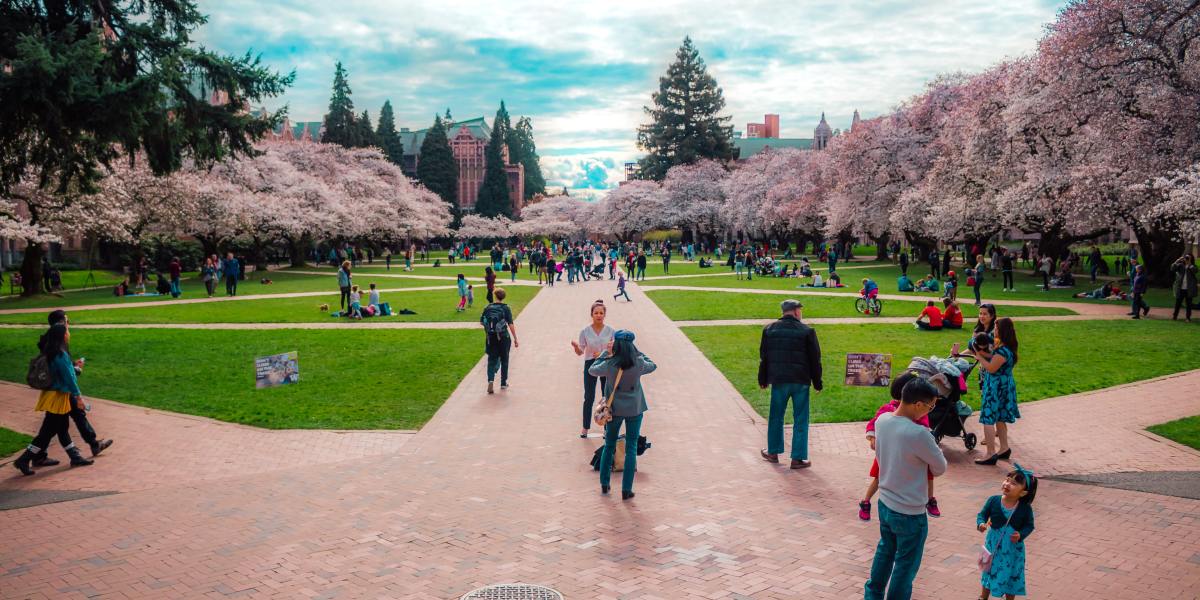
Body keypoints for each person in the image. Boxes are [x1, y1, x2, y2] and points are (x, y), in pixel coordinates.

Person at [864, 377, 947, 600]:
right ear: (918, 404)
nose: (929, 411)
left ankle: (872, 595)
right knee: (904, 566)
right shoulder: (919, 434)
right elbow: (940, 468)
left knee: (885, 552)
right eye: (930, 406)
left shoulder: (882, 420)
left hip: (886, 502)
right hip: (910, 511)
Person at [28, 311, 113, 467]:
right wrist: (76, 372)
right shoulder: (58, 339)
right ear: (60, 322)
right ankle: (30, 458)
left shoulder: (52, 337)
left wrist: (73, 365)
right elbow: (63, 369)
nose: (69, 324)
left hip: (59, 389)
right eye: (67, 320)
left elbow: (62, 365)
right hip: (59, 391)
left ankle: (83, 449)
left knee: (60, 425)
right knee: (54, 427)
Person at [13, 324, 96, 475]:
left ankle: (75, 456)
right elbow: (69, 378)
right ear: (63, 336)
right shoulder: (61, 354)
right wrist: (78, 397)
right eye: (67, 331)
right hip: (58, 397)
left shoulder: (51, 352)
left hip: (52, 395)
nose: (69, 333)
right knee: (47, 433)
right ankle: (23, 460)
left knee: (61, 428)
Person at [859, 372, 939, 522]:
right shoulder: (889, 410)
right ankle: (865, 501)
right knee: (879, 478)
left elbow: (925, 431)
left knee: (928, 474)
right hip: (890, 454)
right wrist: (872, 437)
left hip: (913, 456)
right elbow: (873, 424)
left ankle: (930, 499)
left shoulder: (921, 412)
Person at [588, 329, 656, 500]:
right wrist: (638, 351)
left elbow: (592, 370)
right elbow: (652, 364)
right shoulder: (638, 362)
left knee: (609, 445)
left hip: (614, 410)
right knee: (631, 448)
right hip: (634, 408)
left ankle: (605, 484)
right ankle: (627, 489)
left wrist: (605, 352)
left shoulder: (610, 363)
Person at [758, 299, 823, 469]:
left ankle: (773, 452)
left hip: (779, 380)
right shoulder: (807, 331)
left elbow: (764, 357)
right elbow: (815, 359)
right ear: (795, 311)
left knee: (776, 416)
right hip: (800, 380)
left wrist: (762, 379)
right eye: (800, 310)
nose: (801, 313)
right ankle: (798, 457)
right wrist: (817, 382)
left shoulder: (769, 329)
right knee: (801, 418)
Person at [977, 466, 1037, 600]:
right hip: (992, 545)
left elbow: (1029, 525)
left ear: (1022, 493)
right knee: (988, 570)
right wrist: (981, 524)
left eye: (1014, 483)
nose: (1007, 484)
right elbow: (982, 515)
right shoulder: (993, 500)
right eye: (1007, 480)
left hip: (1012, 550)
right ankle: (983, 596)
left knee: (1012, 574)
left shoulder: (1025, 508)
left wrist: (1021, 534)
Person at [975, 318, 1020, 465]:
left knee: (988, 418)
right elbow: (994, 359)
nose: (994, 329)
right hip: (1005, 385)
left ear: (1002, 330)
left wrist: (979, 358)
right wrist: (982, 353)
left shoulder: (1002, 350)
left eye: (996, 327)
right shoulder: (1007, 348)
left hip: (996, 387)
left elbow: (991, 367)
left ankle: (990, 453)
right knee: (1000, 417)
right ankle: (1004, 448)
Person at [572, 300, 615, 438]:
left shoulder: (611, 331)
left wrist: (604, 354)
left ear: (605, 315)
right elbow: (580, 351)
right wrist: (576, 348)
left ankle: (606, 427)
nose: (598, 315)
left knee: (606, 396)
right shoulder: (585, 331)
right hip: (590, 364)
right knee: (588, 397)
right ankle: (585, 428)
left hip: (606, 364)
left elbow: (614, 351)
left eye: (601, 313)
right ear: (591, 314)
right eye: (596, 313)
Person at [481, 287, 519, 394]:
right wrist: (515, 338)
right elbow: (510, 323)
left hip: (491, 337)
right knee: (504, 359)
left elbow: (482, 322)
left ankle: (490, 380)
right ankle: (503, 383)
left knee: (491, 359)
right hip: (503, 337)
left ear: (495, 295)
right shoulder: (506, 308)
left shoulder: (488, 307)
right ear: (503, 297)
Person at [1171, 254, 1197, 322]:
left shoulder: (1193, 266)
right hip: (1180, 289)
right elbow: (1172, 268)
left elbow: (1195, 271)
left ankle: (1188, 318)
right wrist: (1177, 260)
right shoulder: (1180, 265)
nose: (1187, 259)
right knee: (1178, 303)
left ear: (1191, 259)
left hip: (1189, 289)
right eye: (1186, 257)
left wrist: (1189, 264)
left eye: (1188, 258)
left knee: (1188, 304)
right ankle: (1174, 316)